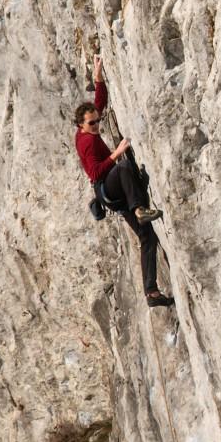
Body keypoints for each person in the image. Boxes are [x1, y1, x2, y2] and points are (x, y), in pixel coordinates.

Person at [74, 56, 174, 308]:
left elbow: (98, 104)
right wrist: (116, 152)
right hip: (107, 187)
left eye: (97, 121)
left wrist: (98, 77)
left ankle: (151, 292)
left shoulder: (86, 129)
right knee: (124, 166)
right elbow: (96, 172)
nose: (97, 125)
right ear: (81, 126)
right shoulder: (85, 142)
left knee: (147, 237)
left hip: (113, 194)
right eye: (92, 123)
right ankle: (139, 208)